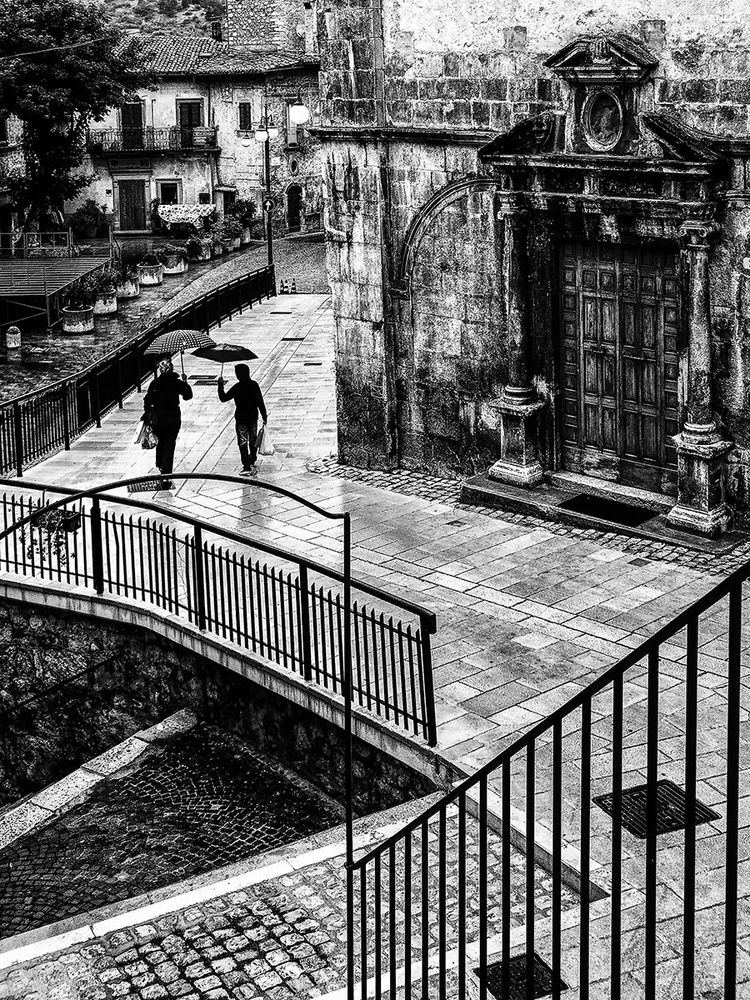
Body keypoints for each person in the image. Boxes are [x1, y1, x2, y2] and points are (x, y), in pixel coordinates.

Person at [143, 358, 193, 480]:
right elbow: (188, 396)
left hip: (159, 417)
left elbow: (147, 400)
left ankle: (160, 465)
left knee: (159, 442)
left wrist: (149, 412)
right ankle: (166, 473)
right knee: (169, 445)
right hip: (173, 416)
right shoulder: (176, 383)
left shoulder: (155, 383)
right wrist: (185, 382)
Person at [217, 363, 267, 474]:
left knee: (242, 441)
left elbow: (223, 398)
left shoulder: (237, 387)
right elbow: (260, 401)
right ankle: (252, 457)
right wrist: (264, 415)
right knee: (253, 439)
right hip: (253, 417)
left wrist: (220, 386)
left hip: (241, 418)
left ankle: (246, 465)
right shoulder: (254, 385)